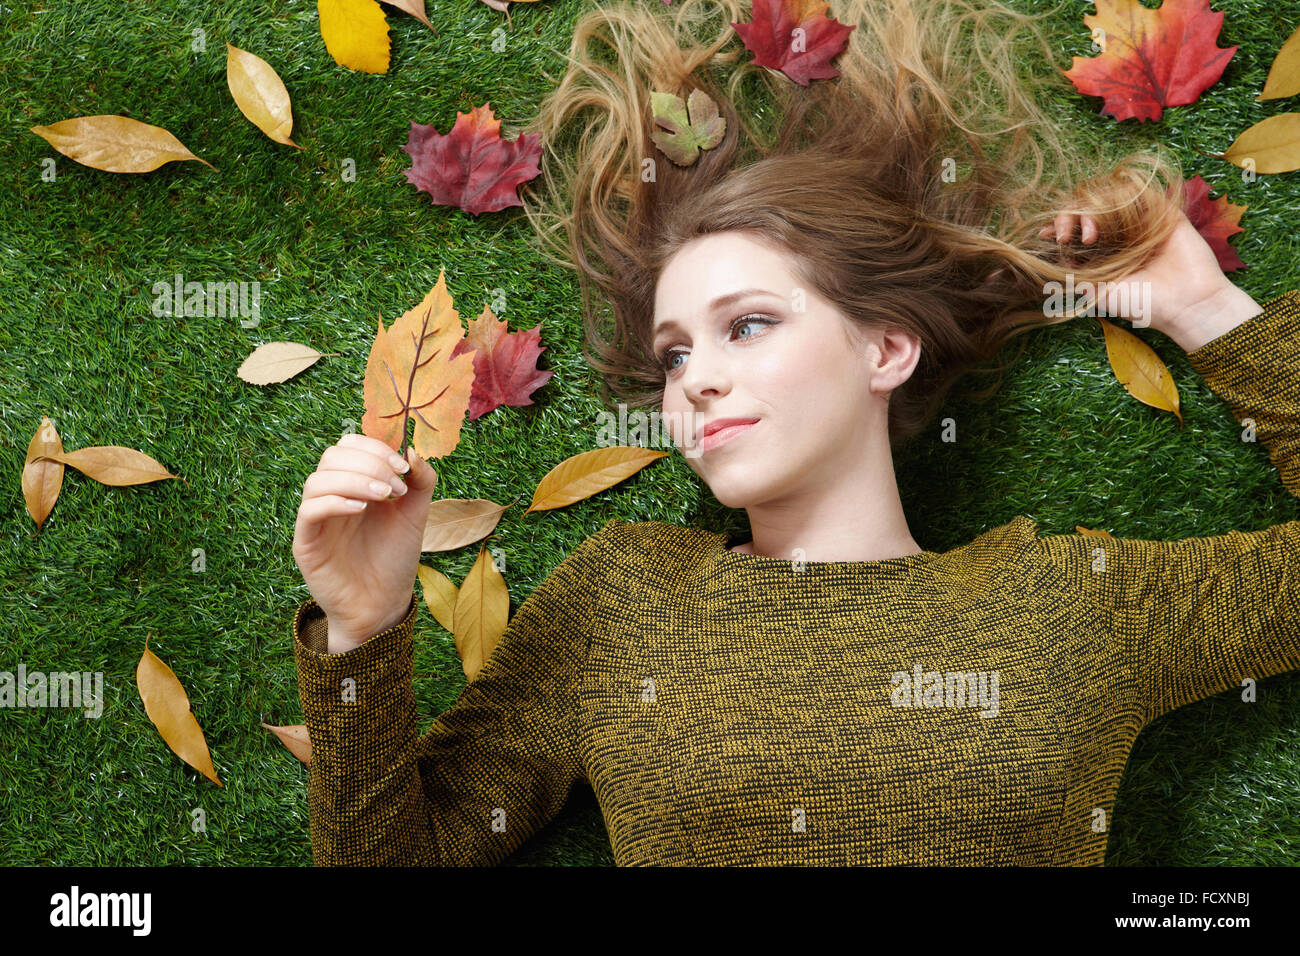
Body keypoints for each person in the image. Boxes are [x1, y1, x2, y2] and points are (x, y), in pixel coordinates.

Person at [290, 0, 1300, 865]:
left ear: (885, 350)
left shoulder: (1069, 605)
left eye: (749, 324)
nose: (697, 378)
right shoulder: (622, 599)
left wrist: (1200, 308)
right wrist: (361, 632)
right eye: (675, 353)